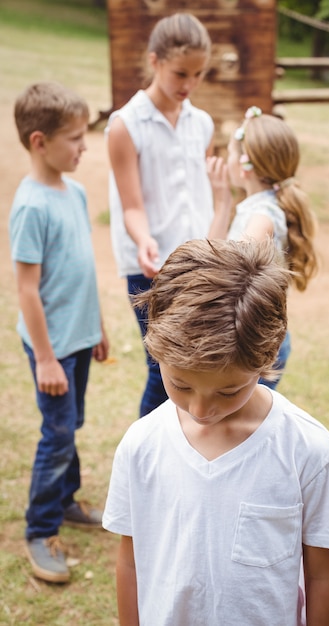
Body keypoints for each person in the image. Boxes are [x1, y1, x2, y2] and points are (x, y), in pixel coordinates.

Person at [103, 238, 329, 626]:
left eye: (229, 391)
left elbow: (324, 572)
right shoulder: (141, 446)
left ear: (269, 356)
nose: (201, 409)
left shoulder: (309, 451)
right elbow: (131, 560)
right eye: (181, 384)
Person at [9, 81, 109, 584]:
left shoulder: (77, 192)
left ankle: (66, 502)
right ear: (38, 141)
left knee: (72, 423)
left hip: (78, 335)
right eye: (74, 138)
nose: (84, 147)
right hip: (51, 346)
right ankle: (40, 528)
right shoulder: (31, 207)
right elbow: (28, 290)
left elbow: (83, 267)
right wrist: (46, 359)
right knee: (58, 431)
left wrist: (98, 327)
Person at [107, 12, 217, 417]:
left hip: (201, 263)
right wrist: (144, 240)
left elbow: (201, 192)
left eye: (199, 74)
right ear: (154, 61)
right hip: (151, 266)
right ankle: (145, 460)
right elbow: (132, 205)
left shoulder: (201, 124)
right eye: (180, 74)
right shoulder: (125, 126)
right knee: (163, 369)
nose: (189, 85)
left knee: (201, 365)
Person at [207, 106, 318, 387]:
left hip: (255, 346)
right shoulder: (258, 207)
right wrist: (222, 201)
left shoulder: (262, 218)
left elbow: (226, 270)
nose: (226, 159)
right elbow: (213, 254)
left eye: (231, 153)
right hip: (255, 338)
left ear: (245, 165)